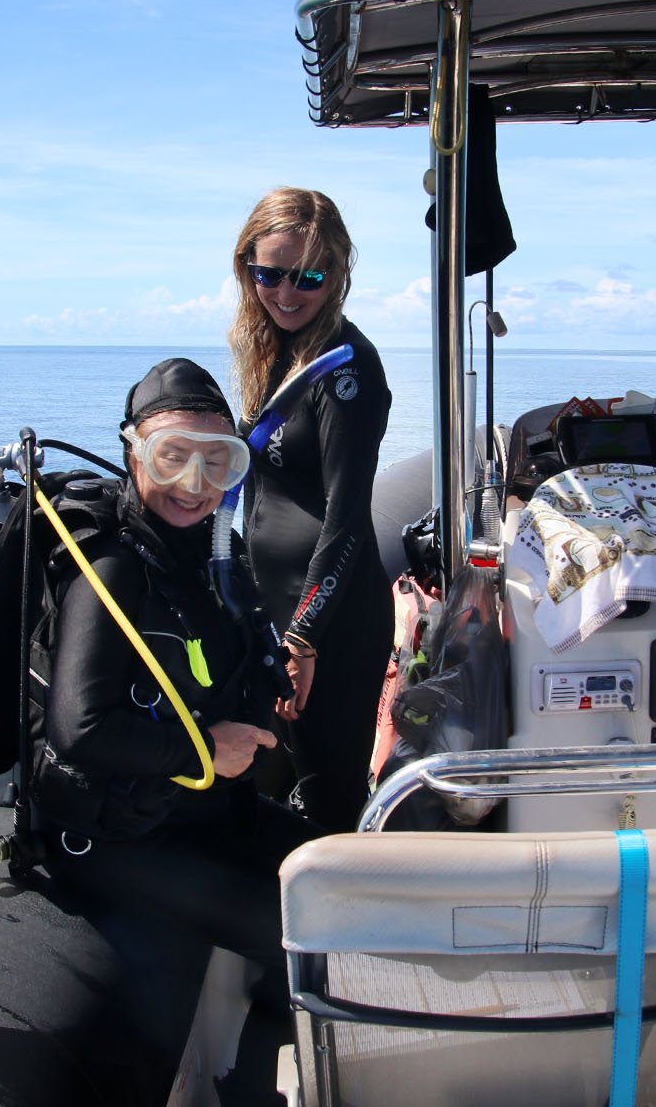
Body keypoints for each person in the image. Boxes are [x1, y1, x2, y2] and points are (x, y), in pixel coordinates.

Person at [33, 357, 322, 1104]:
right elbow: (79, 727)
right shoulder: (113, 566)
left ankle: (282, 1032)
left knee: (336, 872)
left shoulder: (204, 551)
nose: (195, 484)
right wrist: (208, 746)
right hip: (121, 838)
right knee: (301, 926)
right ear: (134, 454)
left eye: (216, 460)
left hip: (195, 813)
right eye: (172, 457)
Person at [229, 187, 394, 830]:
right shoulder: (273, 349)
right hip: (274, 608)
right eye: (269, 275)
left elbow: (346, 516)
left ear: (337, 274)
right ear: (246, 268)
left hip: (331, 621)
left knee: (328, 792)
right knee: (268, 775)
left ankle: (342, 892)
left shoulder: (346, 371)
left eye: (308, 278)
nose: (286, 293)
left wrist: (303, 639)